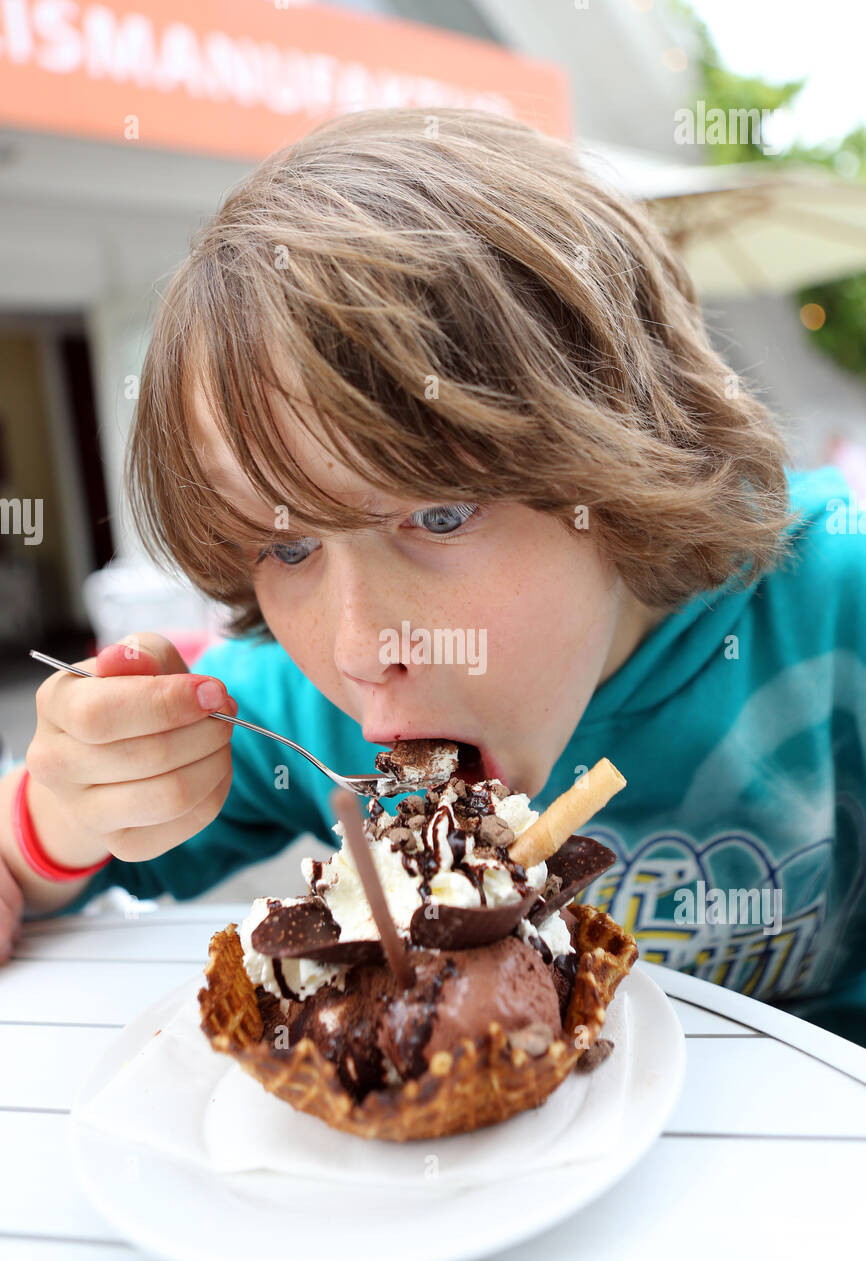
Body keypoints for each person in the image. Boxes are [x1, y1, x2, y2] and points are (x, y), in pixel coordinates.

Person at [1, 107, 864, 1044]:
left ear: (629, 462)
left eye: (441, 515)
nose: (363, 650)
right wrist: (56, 816)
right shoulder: (295, 710)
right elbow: (41, 863)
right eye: (287, 547)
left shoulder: (834, 604)